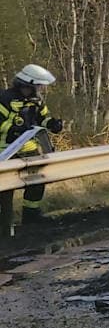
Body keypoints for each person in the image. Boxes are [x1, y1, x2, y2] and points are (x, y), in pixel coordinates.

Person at [0, 65, 64, 233]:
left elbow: (43, 118)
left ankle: (31, 215)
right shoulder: (5, 99)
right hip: (5, 152)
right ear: (27, 84)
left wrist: (52, 124)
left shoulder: (37, 100)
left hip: (29, 149)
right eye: (39, 85)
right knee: (5, 190)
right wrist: (12, 126)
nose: (41, 89)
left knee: (37, 181)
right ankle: (5, 223)